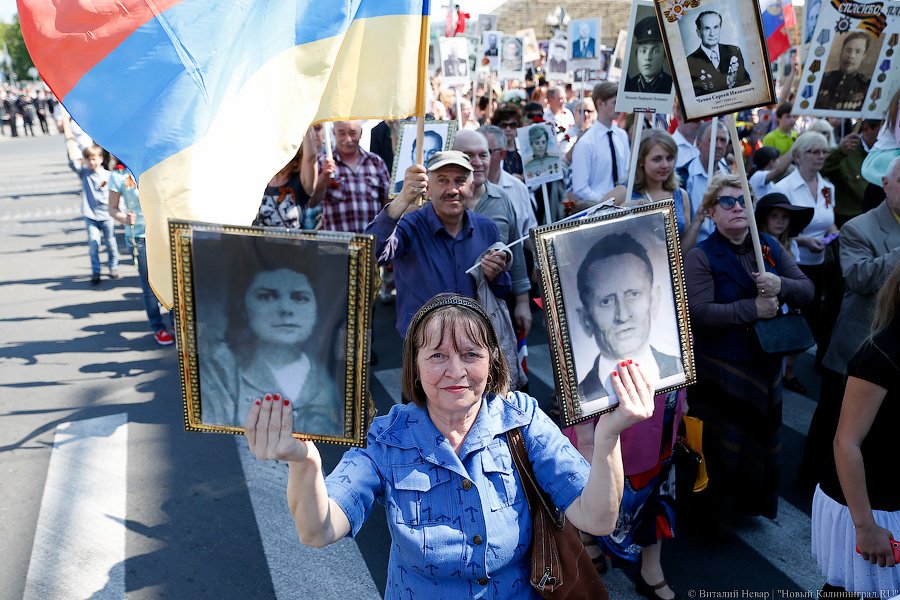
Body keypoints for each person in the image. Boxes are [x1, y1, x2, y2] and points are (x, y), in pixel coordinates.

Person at [243, 292, 656, 599]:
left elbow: (597, 519)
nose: (456, 371)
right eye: (437, 356)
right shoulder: (388, 438)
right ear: (415, 365)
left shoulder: (522, 420)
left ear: (492, 361)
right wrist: (305, 462)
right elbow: (317, 530)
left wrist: (608, 437)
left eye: (471, 354)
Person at [685, 174, 813, 536]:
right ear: (711, 212)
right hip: (721, 368)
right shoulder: (701, 255)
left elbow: (806, 289)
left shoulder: (768, 245)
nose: (737, 207)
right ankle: (718, 521)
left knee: (758, 443)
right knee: (723, 447)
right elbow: (699, 313)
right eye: (727, 202)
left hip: (764, 364)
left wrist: (781, 284)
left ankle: (749, 506)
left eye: (743, 200)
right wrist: (752, 308)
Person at [799, 156, 900, 490]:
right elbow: (858, 278)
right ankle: (814, 484)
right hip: (860, 347)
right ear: (885, 184)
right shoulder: (859, 227)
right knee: (833, 422)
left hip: (893, 349)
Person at [811, 261, 900, 595]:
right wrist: (865, 527)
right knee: (854, 593)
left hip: (891, 495)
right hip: (869, 506)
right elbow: (846, 442)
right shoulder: (880, 355)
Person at [198, 236, 342, 436]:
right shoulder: (221, 371)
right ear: (243, 306)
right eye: (267, 296)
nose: (285, 310)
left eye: (300, 298)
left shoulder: (328, 377)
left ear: (316, 308)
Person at [366, 151, 512, 337]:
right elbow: (370, 254)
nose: (452, 190)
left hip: (473, 340)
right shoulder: (409, 227)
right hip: (423, 344)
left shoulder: (486, 228)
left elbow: (503, 288)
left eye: (459, 181)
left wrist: (495, 274)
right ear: (427, 188)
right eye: (443, 181)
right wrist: (402, 199)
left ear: (471, 188)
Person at [453, 131, 532, 336]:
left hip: (494, 310)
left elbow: (516, 249)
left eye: (483, 154)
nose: (478, 162)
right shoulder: (442, 203)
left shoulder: (502, 199)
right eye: (468, 155)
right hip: (451, 313)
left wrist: (522, 302)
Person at [772, 131, 839, 366]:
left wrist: (835, 234)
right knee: (791, 314)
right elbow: (774, 230)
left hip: (820, 262)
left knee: (811, 313)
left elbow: (828, 220)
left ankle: (792, 366)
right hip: (792, 262)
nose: (821, 156)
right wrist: (804, 241)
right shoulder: (784, 188)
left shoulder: (827, 187)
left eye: (824, 151)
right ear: (799, 156)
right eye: (814, 151)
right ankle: (784, 368)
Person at [108, 160, 175, 345]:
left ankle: (176, 323)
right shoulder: (118, 175)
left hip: (164, 234)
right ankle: (158, 327)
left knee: (173, 282)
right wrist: (123, 218)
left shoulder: (157, 164)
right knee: (150, 286)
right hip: (139, 237)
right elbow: (112, 208)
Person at [754, 192, 815, 394]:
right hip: (764, 306)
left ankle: (781, 381)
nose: (780, 221)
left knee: (782, 350)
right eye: (774, 216)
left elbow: (796, 279)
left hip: (786, 304)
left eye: (785, 217)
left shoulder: (792, 245)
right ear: (765, 219)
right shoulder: (757, 244)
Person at [605, 128, 696, 248]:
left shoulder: (681, 196)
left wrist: (698, 220)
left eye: (669, 158)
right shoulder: (623, 193)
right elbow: (590, 229)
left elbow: (682, 249)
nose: (665, 165)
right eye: (657, 159)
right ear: (641, 161)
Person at [310, 120, 391, 233]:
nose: (348, 139)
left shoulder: (376, 162)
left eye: (352, 133)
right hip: (338, 242)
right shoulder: (322, 162)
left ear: (361, 133)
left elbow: (388, 203)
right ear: (334, 133)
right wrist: (324, 176)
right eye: (342, 133)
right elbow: (312, 202)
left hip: (372, 240)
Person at [570, 82, 630, 203]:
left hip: (623, 205)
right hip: (598, 207)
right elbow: (580, 188)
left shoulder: (622, 135)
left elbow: (626, 172)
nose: (620, 107)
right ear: (600, 103)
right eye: (615, 103)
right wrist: (606, 202)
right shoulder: (586, 143)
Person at [70, 145, 119, 285]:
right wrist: (70, 141)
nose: (91, 162)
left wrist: (119, 211)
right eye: (88, 160)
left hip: (107, 215)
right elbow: (72, 163)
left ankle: (113, 266)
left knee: (110, 242)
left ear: (101, 159)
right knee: (94, 243)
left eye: (94, 159)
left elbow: (116, 195)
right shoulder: (85, 174)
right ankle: (96, 271)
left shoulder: (109, 175)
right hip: (91, 215)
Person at [253, 127, 319, 229]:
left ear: (296, 161)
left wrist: (307, 122)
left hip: (291, 239)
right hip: (257, 240)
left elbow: (310, 157)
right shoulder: (259, 180)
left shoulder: (300, 184)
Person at [677, 119, 730, 244]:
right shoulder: (684, 176)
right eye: (713, 140)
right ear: (698, 144)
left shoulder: (729, 175)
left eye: (723, 140)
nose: (719, 145)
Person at [823, 119, 881, 226]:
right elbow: (820, 170)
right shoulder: (847, 151)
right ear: (866, 129)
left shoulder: (886, 153)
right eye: (883, 131)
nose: (887, 136)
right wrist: (840, 152)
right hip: (850, 220)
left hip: (877, 218)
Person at [686, 11, 751, 97]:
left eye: (716, 27)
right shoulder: (689, 62)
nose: (712, 34)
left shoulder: (734, 51)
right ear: (698, 32)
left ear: (720, 28)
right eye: (707, 28)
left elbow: (745, 83)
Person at [814, 32, 872, 112]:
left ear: (863, 56)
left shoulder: (867, 86)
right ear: (841, 52)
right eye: (848, 50)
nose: (851, 56)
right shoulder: (822, 79)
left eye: (858, 52)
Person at [624, 16, 673, 95]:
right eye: (643, 51)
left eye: (655, 51)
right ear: (636, 54)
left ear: (664, 54)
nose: (648, 58)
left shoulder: (673, 87)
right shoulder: (627, 87)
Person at [394, 129, 444, 194]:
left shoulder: (444, 188)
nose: (425, 158)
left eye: (432, 153)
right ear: (412, 154)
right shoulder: (398, 187)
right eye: (421, 152)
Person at [490, 103, 524, 179]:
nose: (508, 129)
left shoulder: (524, 147)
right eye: (504, 125)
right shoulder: (491, 150)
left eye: (512, 125)